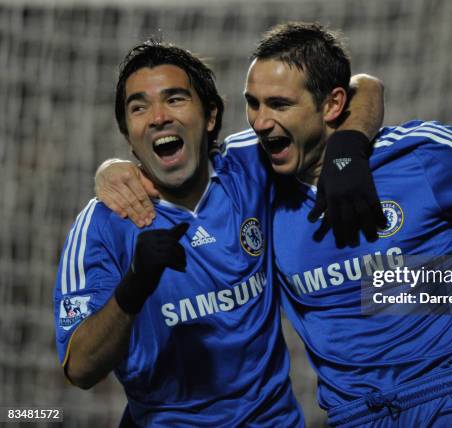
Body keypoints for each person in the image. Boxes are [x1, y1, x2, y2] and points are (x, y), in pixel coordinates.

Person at [98, 23, 452, 427]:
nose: (260, 122)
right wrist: (112, 169)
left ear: (332, 105)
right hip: (355, 418)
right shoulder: (254, 184)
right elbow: (179, 167)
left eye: (280, 105)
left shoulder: (425, 156)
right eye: (253, 104)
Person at [54, 39, 384, 427]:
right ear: (128, 135)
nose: (158, 117)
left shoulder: (252, 165)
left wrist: (347, 145)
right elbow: (79, 368)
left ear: (211, 116)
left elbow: (365, 88)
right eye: (139, 107)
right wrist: (132, 289)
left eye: (175, 99)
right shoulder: (103, 224)